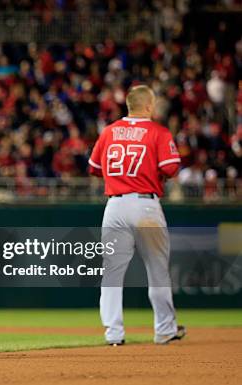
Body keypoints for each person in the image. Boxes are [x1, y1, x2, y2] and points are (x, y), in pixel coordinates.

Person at [88, 85, 186, 345]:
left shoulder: (108, 132)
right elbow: (171, 167)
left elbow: (94, 168)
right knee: (157, 270)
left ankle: (114, 335)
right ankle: (164, 329)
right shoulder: (158, 131)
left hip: (115, 207)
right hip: (145, 206)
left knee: (111, 273)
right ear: (149, 105)